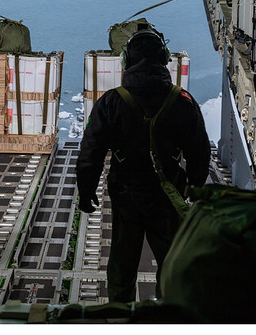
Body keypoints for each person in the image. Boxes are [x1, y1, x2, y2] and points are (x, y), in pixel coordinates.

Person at [76, 24, 211, 304]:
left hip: (126, 193)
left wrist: (86, 189)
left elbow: (91, 150)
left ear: (126, 61)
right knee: (170, 261)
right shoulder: (183, 101)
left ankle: (119, 314)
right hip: (168, 194)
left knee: (122, 263)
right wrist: (194, 184)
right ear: (164, 58)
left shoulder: (112, 101)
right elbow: (199, 150)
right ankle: (165, 317)